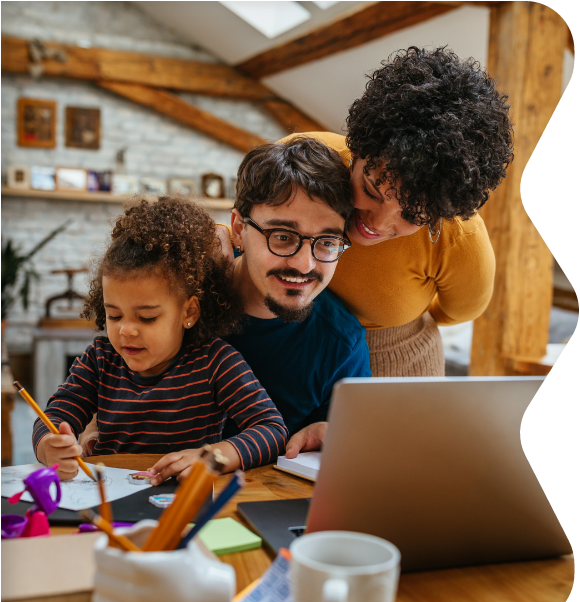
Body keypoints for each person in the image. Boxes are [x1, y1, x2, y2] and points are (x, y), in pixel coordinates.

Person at [276, 46, 513, 379]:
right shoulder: (306, 157)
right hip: (281, 347)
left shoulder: (460, 239)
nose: (376, 223)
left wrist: (395, 316)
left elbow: (458, 311)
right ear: (357, 151)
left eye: (413, 215)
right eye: (372, 190)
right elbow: (249, 223)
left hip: (394, 364)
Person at [33, 196, 288, 482]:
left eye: (147, 317)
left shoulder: (216, 362)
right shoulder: (101, 358)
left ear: (188, 311)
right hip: (106, 498)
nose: (125, 331)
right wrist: (49, 446)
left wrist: (214, 456)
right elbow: (56, 414)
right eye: (114, 316)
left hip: (180, 503)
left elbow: (271, 429)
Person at [219, 136, 372, 458]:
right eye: (283, 237)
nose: (304, 264)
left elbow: (347, 443)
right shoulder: (179, 299)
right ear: (238, 229)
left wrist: (337, 437)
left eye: (328, 241)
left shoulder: (342, 342)